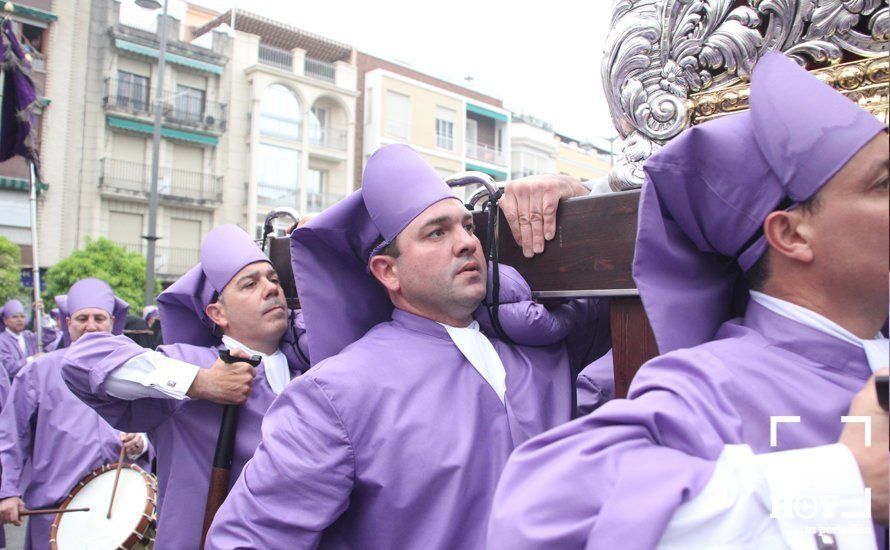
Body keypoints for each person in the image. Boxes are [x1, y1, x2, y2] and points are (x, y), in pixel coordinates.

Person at [486, 53, 889, 549]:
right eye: (883, 183)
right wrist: (840, 483)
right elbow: (540, 517)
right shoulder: (709, 385)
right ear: (791, 234)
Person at [205, 144, 607, 549]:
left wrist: (576, 190)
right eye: (437, 232)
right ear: (388, 271)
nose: (467, 242)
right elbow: (248, 540)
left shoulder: (545, 345)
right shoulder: (336, 393)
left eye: (467, 227)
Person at [61, 224, 310, 548]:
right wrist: (201, 382)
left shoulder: (306, 370)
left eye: (273, 279)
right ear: (217, 312)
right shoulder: (189, 362)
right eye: (250, 284)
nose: (270, 289)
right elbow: (80, 361)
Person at [0, 279, 149, 550]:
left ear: (112, 323)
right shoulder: (38, 372)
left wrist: (141, 442)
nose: (90, 325)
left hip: (118, 511)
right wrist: (8, 492)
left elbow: (158, 425)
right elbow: (12, 435)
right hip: (56, 511)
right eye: (82, 318)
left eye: (99, 318)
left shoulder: (136, 369)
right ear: (68, 323)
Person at [0, 299, 58, 380]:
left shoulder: (28, 336)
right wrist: (32, 359)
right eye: (15, 317)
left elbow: (48, 338)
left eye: (22, 316)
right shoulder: (2, 341)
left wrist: (42, 314)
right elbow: (10, 367)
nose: (19, 320)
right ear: (5, 320)